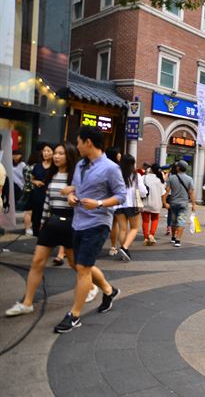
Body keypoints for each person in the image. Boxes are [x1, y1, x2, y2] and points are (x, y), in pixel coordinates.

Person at [5, 142, 103, 318]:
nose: (55, 156)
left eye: (60, 154)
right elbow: (47, 202)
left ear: (70, 155)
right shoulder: (52, 175)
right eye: (54, 153)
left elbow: (91, 196)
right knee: (37, 262)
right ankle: (27, 303)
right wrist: (42, 223)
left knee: (78, 265)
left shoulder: (78, 176)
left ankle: (98, 286)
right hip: (52, 222)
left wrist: (75, 194)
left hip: (72, 222)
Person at [52, 127, 126, 333]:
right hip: (78, 222)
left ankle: (74, 315)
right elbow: (75, 187)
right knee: (78, 263)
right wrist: (71, 197)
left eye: (78, 142)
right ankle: (109, 291)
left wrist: (100, 203)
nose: (76, 146)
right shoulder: (80, 165)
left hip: (98, 223)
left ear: (88, 143)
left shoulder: (111, 168)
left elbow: (121, 195)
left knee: (83, 268)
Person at [113, 154, 147, 261]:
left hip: (118, 204)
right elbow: (142, 191)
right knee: (134, 228)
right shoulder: (136, 175)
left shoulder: (116, 174)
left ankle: (124, 251)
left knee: (122, 229)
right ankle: (125, 247)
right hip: (132, 204)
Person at [163, 160, 195, 247]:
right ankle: (178, 240)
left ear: (178, 168)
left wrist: (164, 202)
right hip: (184, 204)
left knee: (173, 221)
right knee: (181, 221)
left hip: (173, 203)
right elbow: (191, 192)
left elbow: (167, 190)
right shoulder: (189, 179)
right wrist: (193, 204)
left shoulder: (172, 177)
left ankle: (173, 237)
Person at [29, 143, 54, 237]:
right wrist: (35, 182)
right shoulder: (38, 166)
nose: (45, 153)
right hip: (37, 195)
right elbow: (32, 179)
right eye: (44, 151)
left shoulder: (54, 167)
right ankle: (36, 237)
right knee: (36, 218)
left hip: (48, 196)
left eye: (48, 151)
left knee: (48, 220)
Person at [141, 163, 165, 246]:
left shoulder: (143, 177)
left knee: (145, 221)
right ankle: (151, 235)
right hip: (156, 203)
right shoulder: (160, 180)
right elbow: (163, 193)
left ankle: (145, 238)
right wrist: (164, 203)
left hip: (145, 202)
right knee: (155, 219)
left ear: (151, 169)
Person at [105, 147, 122, 256]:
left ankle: (113, 246)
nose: (120, 155)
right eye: (118, 153)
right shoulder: (117, 168)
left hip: (107, 200)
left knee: (113, 224)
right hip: (116, 200)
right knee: (119, 224)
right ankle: (118, 247)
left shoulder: (104, 167)